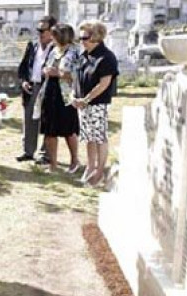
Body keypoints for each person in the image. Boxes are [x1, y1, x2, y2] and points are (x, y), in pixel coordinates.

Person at [74, 20, 119, 187]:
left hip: (98, 103)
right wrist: (74, 96)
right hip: (82, 103)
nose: (81, 41)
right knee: (88, 136)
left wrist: (86, 99)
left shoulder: (106, 57)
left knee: (99, 136)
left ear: (96, 37)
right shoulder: (83, 56)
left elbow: (104, 83)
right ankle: (90, 166)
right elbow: (76, 77)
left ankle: (100, 171)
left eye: (84, 37)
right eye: (80, 37)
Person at [38, 24, 82, 173]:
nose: (52, 37)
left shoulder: (75, 51)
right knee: (50, 130)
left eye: (54, 35)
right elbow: (46, 66)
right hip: (50, 92)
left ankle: (75, 160)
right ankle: (53, 164)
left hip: (66, 94)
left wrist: (58, 73)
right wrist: (46, 70)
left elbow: (77, 74)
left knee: (68, 129)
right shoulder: (53, 50)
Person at [17, 16, 57, 164]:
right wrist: (24, 82)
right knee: (29, 120)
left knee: (46, 121)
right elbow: (23, 67)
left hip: (48, 88)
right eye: (38, 30)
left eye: (43, 30)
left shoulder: (57, 48)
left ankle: (45, 154)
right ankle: (28, 151)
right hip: (31, 87)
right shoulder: (32, 45)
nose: (40, 33)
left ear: (52, 31)